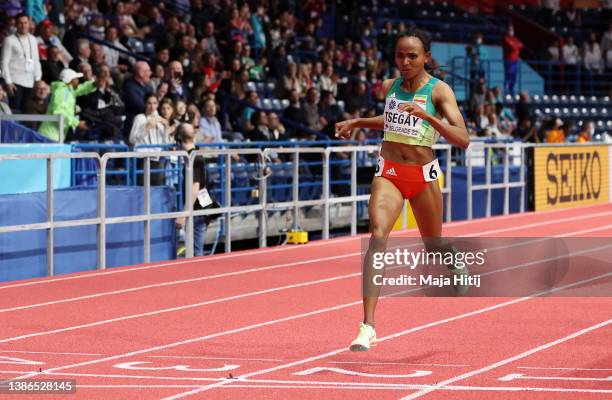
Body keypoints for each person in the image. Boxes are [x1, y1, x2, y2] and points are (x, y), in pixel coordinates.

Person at [335, 28, 469, 352]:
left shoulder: (440, 92)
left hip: (423, 177)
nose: (405, 62)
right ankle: (367, 325)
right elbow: (390, 120)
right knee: (377, 236)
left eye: (412, 56)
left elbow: (463, 138)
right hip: (390, 172)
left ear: (426, 57)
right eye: (400, 56)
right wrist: (357, 122)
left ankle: (452, 259)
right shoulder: (389, 87)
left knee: (433, 244)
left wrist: (429, 118)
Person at [38, 68, 95, 142]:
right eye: (76, 79)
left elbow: (81, 89)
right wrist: (77, 123)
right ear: (71, 81)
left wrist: (94, 84)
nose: (78, 81)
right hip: (49, 137)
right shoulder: (62, 92)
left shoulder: (67, 91)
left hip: (52, 136)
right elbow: (59, 113)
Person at [1, 13, 42, 111]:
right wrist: (8, 82)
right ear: (16, 25)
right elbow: (3, 63)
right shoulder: (9, 40)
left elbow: (36, 60)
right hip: (15, 82)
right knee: (15, 111)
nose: (23, 25)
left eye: (25, 23)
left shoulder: (33, 39)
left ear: (29, 24)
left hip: (30, 82)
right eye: (20, 23)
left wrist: (38, 78)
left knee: (27, 111)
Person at [503, 25, 523, 96]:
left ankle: (511, 91)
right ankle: (506, 92)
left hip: (515, 61)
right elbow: (513, 47)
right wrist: (516, 45)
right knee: (509, 76)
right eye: (510, 30)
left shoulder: (515, 38)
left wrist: (515, 45)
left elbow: (521, 45)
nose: (511, 31)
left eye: (512, 30)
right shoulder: (506, 38)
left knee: (514, 77)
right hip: (508, 61)